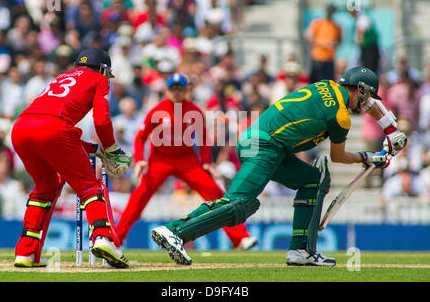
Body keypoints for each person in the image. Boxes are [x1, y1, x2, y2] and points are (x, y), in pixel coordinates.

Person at [150, 67, 408, 266]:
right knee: (239, 203)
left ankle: (301, 251)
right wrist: (370, 157)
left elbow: (371, 104)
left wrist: (391, 127)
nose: (367, 105)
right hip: (263, 145)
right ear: (360, 89)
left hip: (269, 143)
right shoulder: (339, 116)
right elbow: (339, 157)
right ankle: (175, 232)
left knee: (312, 179)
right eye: (367, 96)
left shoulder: (327, 85)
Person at [11, 48, 132, 268]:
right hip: (53, 129)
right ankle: (103, 238)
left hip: (20, 128)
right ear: (102, 69)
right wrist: (112, 148)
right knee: (89, 187)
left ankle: (25, 252)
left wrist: (94, 148)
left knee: (44, 188)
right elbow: (102, 121)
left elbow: (48, 124)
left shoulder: (61, 77)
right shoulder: (98, 79)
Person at [116, 73, 257, 250]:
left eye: (180, 89)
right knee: (138, 197)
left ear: (186, 91)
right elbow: (140, 137)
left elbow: (204, 138)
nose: (176, 93)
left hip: (186, 160)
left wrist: (206, 162)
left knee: (214, 191)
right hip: (160, 160)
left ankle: (240, 238)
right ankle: (115, 240)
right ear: (167, 91)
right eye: (173, 89)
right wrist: (140, 160)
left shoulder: (194, 110)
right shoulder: (157, 110)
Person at [306, 4, 342, 83]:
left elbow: (339, 41)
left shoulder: (336, 26)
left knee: (329, 82)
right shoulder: (319, 23)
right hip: (318, 57)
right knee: (316, 82)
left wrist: (334, 44)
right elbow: (310, 38)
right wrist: (324, 44)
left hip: (329, 58)